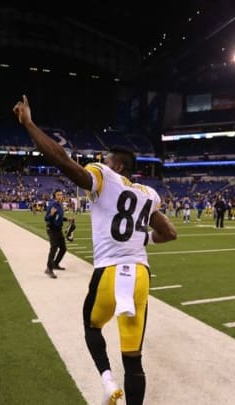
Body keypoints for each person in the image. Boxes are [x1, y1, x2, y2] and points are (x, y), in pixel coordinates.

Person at [13, 95, 177, 405]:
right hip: (140, 275)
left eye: (106, 158)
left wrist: (30, 125)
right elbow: (169, 232)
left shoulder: (104, 175)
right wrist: (145, 240)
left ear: (116, 165)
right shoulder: (147, 193)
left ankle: (106, 381)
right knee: (133, 358)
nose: (101, 159)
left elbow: (62, 159)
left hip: (109, 273)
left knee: (91, 328)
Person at [44, 189, 69, 278]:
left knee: (63, 248)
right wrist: (51, 214)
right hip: (52, 229)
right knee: (53, 248)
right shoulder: (52, 205)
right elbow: (46, 218)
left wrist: (67, 219)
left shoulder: (60, 205)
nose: (60, 196)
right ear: (55, 196)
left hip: (58, 230)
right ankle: (49, 269)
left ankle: (55, 264)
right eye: (58, 195)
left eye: (61, 195)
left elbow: (59, 217)